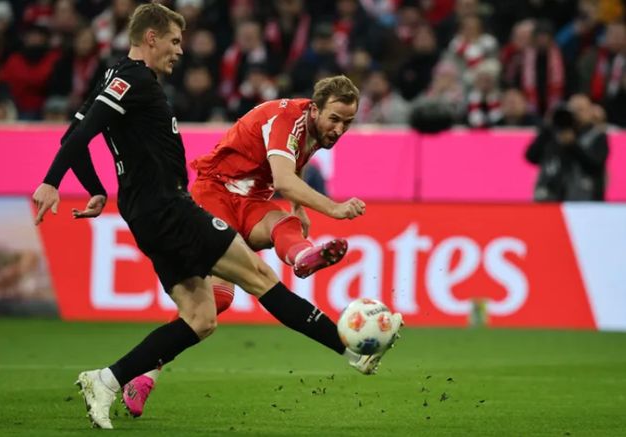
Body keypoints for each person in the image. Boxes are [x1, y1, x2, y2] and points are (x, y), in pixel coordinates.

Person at [31, 3, 402, 430]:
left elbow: (73, 134)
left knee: (202, 317)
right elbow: (79, 135)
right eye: (174, 41)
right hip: (172, 207)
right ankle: (349, 349)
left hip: (146, 214)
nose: (179, 50)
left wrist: (96, 188)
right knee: (260, 279)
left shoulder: (116, 77)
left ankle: (106, 380)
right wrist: (51, 181)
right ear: (151, 37)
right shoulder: (134, 80)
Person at [122, 73, 368, 417]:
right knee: (217, 300)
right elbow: (284, 179)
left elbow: (292, 165)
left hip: (252, 198)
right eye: (335, 119)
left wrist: (298, 207)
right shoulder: (286, 119)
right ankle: (143, 373)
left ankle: (302, 255)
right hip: (215, 193)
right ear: (314, 109)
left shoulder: (315, 128)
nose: (340, 129)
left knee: (285, 223)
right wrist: (334, 208)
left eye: (348, 123)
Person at [525, 94, 608, 201]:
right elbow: (531, 156)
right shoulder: (553, 132)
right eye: (573, 109)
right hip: (551, 196)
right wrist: (548, 127)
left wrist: (572, 145)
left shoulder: (597, 136)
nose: (576, 114)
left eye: (581, 110)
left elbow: (596, 165)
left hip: (585, 198)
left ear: (590, 112)